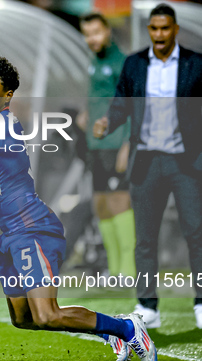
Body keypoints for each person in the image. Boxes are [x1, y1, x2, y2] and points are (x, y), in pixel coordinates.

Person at [0, 56, 157, 361]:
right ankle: (111, 329)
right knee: (24, 319)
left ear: (8, 96)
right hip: (12, 234)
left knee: (48, 314)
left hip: (32, 228)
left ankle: (129, 329)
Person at [94, 3, 202, 329]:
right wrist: (108, 124)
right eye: (154, 29)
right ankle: (148, 304)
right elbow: (121, 106)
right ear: (150, 30)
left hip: (186, 164)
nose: (159, 35)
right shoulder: (135, 64)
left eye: (165, 28)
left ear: (175, 29)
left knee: (196, 233)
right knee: (145, 238)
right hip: (147, 163)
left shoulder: (197, 65)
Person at [80, 13, 136, 280]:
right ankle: (113, 270)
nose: (93, 39)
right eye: (88, 34)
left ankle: (128, 269)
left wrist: (128, 144)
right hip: (96, 145)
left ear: (108, 32)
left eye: (97, 33)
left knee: (120, 203)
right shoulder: (94, 62)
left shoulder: (122, 62)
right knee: (101, 204)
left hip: (117, 144)